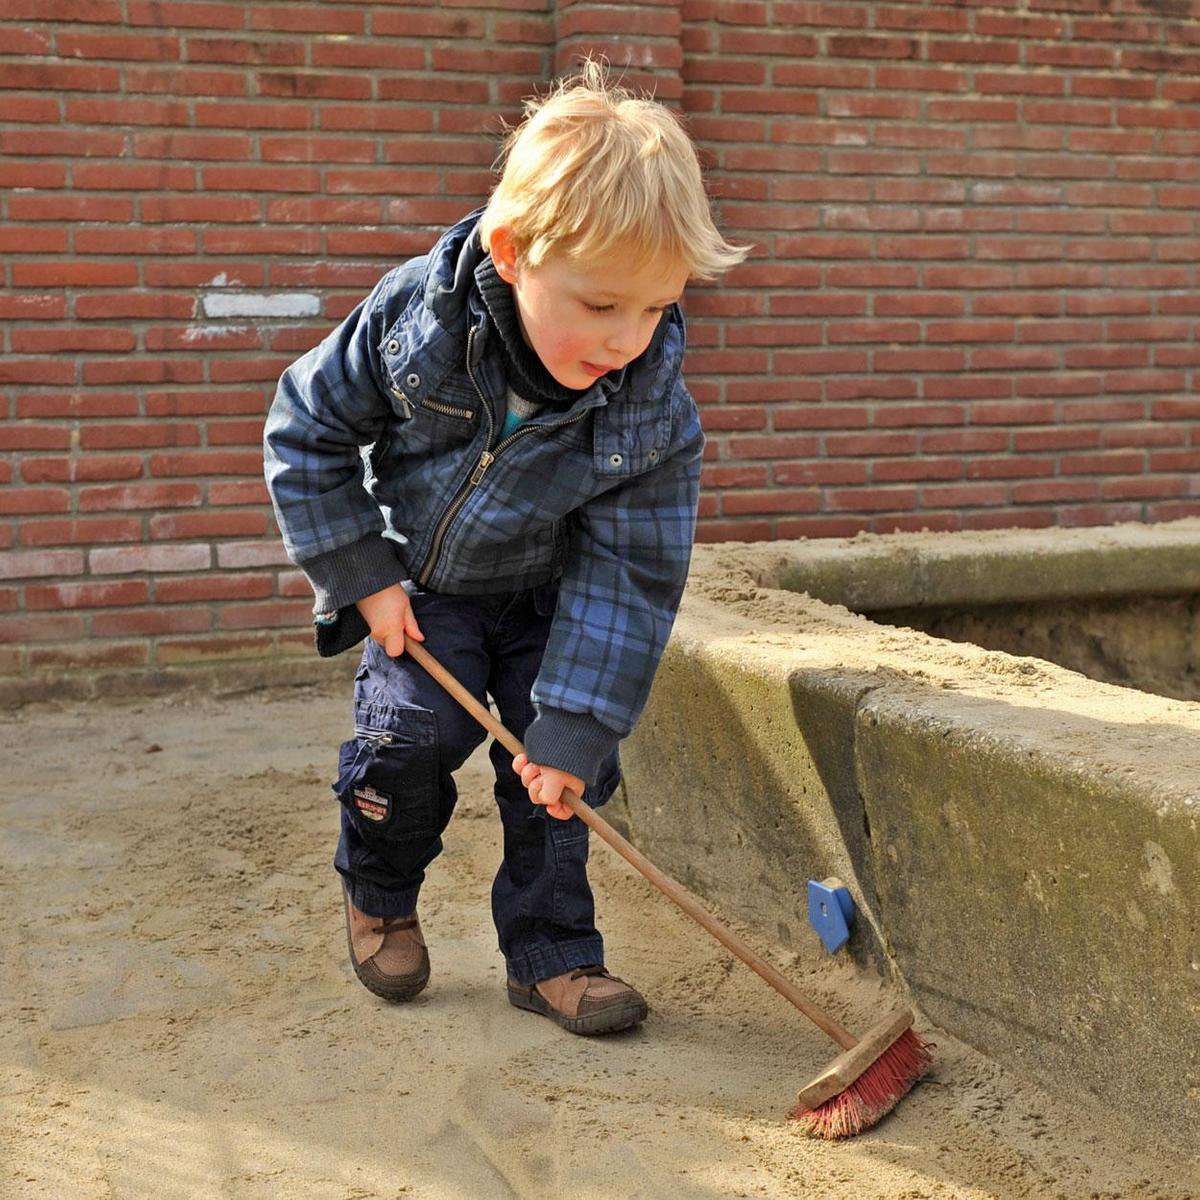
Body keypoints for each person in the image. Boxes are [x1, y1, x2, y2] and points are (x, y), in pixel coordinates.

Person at [263, 59, 747, 1035]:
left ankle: (554, 955)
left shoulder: (652, 414)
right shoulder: (420, 324)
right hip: (422, 586)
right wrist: (362, 574)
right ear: (514, 251)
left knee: (556, 782)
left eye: (655, 308)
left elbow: (629, 577)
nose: (627, 339)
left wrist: (577, 725)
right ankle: (380, 892)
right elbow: (306, 428)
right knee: (407, 744)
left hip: (556, 602)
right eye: (602, 305)